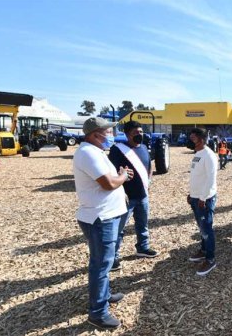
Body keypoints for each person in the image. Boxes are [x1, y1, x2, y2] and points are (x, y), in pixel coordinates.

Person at [73, 117, 134, 329]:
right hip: (101, 218)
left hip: (105, 215)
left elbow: (108, 179)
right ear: (95, 134)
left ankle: (104, 296)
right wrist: (123, 176)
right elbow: (108, 184)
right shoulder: (89, 153)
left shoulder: (94, 151)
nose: (110, 135)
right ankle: (97, 313)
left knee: (103, 262)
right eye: (107, 131)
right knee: (101, 264)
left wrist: (121, 176)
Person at [108, 121, 159, 271]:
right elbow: (111, 172)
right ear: (127, 134)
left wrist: (148, 182)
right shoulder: (117, 150)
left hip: (143, 195)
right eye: (136, 133)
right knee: (119, 229)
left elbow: (149, 167)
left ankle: (142, 248)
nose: (140, 135)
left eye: (141, 132)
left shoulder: (143, 148)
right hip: (126, 197)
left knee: (142, 224)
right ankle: (113, 257)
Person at [186, 127, 218, 276]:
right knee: (201, 227)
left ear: (202, 139)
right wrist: (191, 194)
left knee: (207, 229)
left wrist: (203, 198)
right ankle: (204, 250)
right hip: (196, 197)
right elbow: (197, 177)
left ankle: (210, 259)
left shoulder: (209, 155)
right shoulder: (198, 154)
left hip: (204, 199)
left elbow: (211, 179)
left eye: (193, 138)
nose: (191, 140)